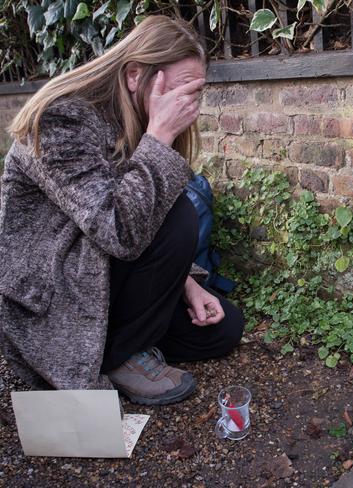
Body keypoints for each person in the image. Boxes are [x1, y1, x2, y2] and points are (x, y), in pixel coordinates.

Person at [0, 16, 244, 405]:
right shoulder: (61, 119)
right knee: (179, 216)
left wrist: (187, 284)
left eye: (195, 93)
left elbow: (135, 221)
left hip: (103, 269)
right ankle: (118, 357)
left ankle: (132, 339)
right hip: (55, 297)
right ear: (135, 76)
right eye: (182, 91)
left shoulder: (129, 117)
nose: (189, 106)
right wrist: (161, 137)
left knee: (224, 328)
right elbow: (117, 229)